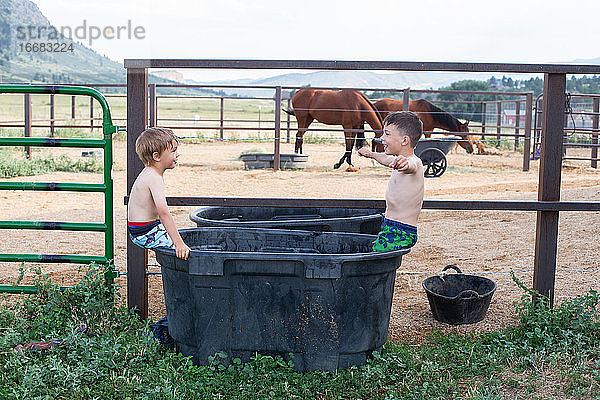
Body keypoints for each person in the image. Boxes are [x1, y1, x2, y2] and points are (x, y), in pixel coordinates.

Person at [358, 111, 424, 252]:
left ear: (404, 140)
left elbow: (410, 166)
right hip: (389, 225)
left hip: (401, 231)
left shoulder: (413, 162)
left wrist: (404, 164)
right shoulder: (396, 159)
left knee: (371, 256)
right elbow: (385, 159)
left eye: (387, 134)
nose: (382, 138)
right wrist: (371, 154)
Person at [127, 127, 191, 260]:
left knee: (180, 239)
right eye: (173, 151)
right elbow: (163, 213)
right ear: (156, 156)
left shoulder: (149, 173)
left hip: (142, 228)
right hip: (145, 232)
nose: (177, 154)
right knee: (186, 251)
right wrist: (178, 244)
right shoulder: (154, 178)